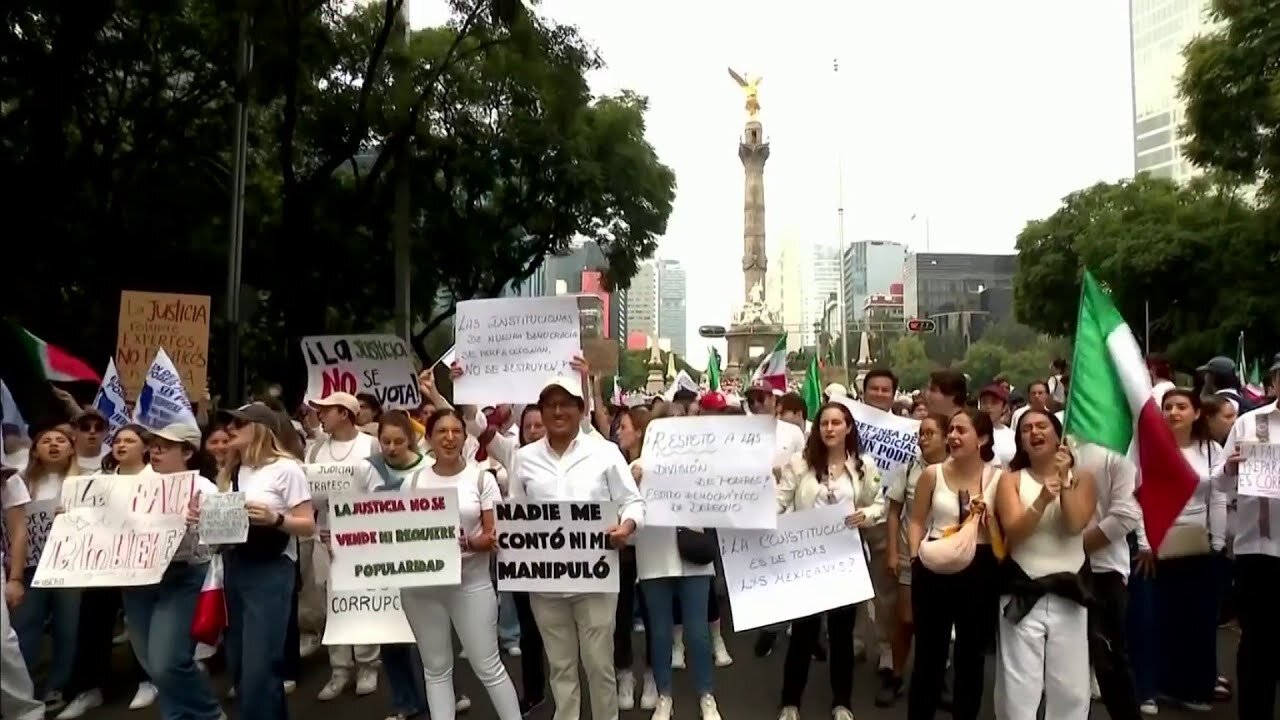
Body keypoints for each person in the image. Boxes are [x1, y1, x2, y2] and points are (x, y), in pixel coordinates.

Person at [364, 409, 521, 720]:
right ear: (429, 438)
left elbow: (496, 534)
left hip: (470, 584)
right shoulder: (414, 481)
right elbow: (397, 531)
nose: (449, 438)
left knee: (487, 665)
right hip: (422, 588)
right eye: (441, 432)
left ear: (465, 437)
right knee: (435, 669)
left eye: (456, 432)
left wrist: (471, 543)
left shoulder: (481, 479)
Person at [507, 376, 645, 720]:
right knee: (561, 668)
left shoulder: (605, 453)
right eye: (550, 405)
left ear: (580, 410)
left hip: (595, 581)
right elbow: (516, 512)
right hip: (546, 584)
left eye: (565, 403)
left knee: (599, 666)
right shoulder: (523, 459)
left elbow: (633, 501)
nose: (557, 411)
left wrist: (626, 526)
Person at [200, 403, 316, 720]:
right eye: (229, 422)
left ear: (260, 428)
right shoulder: (231, 471)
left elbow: (307, 524)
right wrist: (202, 519)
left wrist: (276, 518)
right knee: (240, 666)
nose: (231, 428)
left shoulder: (286, 469)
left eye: (239, 422)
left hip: (271, 570)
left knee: (259, 666)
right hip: (236, 567)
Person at [774, 402, 884, 720]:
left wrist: (865, 514)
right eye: (825, 423)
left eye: (837, 423)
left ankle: (842, 703)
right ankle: (790, 702)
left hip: (845, 562)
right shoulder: (800, 464)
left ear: (848, 428)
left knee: (841, 635)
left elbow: (877, 504)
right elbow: (780, 502)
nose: (830, 429)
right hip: (807, 560)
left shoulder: (863, 465)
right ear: (817, 429)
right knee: (804, 635)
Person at [994, 410, 1096, 719]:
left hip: (1070, 593)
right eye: (1026, 429)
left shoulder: (1084, 478)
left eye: (1042, 426)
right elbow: (1015, 530)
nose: (1034, 432)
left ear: (1058, 435)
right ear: (1021, 441)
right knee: (1019, 687)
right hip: (1023, 590)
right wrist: (1040, 499)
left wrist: (1063, 485)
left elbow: (1076, 523)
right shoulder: (1009, 480)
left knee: (1071, 689)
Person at [124, 424, 224, 720]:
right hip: (138, 580)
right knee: (154, 666)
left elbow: (219, 543)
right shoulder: (132, 485)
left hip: (183, 576)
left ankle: (209, 714)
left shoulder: (204, 489)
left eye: (165, 446)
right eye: (153, 445)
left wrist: (200, 523)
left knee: (168, 662)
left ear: (188, 452)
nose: (155, 450)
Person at [906, 409, 999, 720]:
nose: (953, 437)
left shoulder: (999, 478)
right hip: (933, 566)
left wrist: (989, 519)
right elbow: (917, 519)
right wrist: (916, 557)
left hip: (980, 570)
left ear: (982, 438)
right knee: (929, 657)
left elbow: (1007, 531)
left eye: (962, 431)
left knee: (970, 659)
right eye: (952, 430)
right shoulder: (932, 474)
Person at [2, 453, 45, 720]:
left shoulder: (7, 477)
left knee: (2, 643)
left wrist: (16, 578)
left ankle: (25, 712)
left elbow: (18, 531)